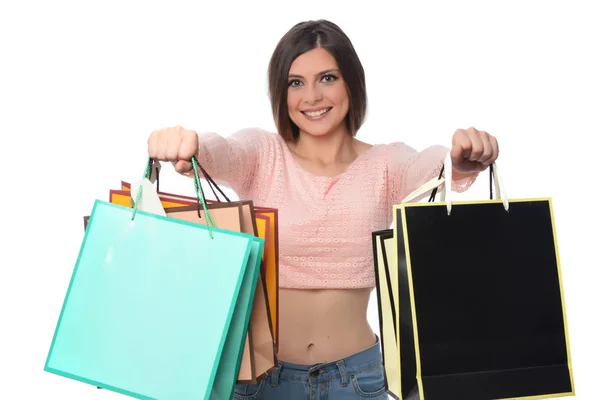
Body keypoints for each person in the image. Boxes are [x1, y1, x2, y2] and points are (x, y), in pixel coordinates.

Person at [147, 19, 499, 400]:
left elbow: (431, 167)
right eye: (295, 82)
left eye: (327, 78)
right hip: (261, 380)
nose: (311, 96)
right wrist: (192, 145)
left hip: (358, 379)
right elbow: (224, 151)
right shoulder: (263, 154)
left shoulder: (386, 164)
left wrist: (460, 160)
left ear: (351, 82)